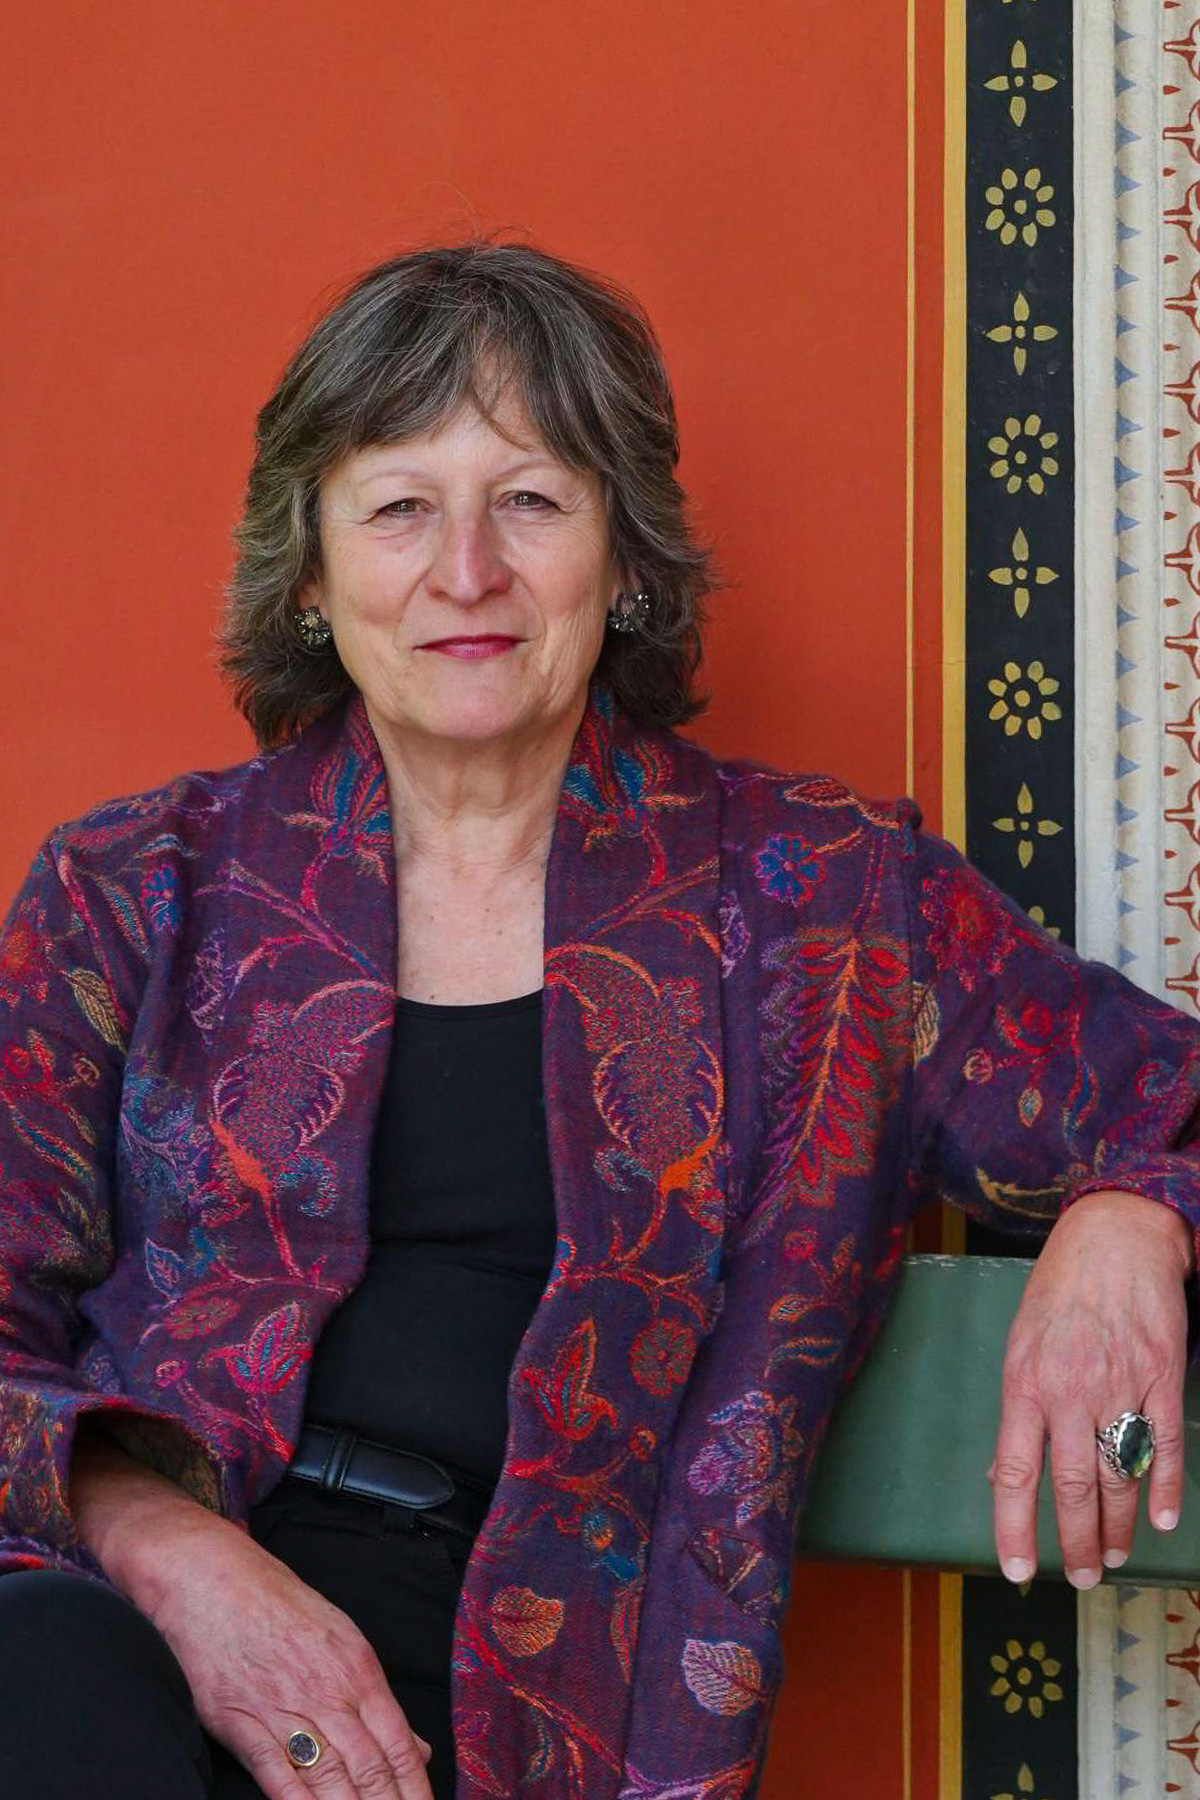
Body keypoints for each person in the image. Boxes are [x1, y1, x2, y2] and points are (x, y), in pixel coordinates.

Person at [0, 242, 1195, 1800]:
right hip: (128, 1659)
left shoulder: (828, 908)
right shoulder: (134, 892)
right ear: (309, 573)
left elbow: (1167, 1105)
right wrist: (169, 1554)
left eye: (532, 500)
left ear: (625, 558)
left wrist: (1126, 1216)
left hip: (536, 1729)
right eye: (400, 506)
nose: (468, 571)